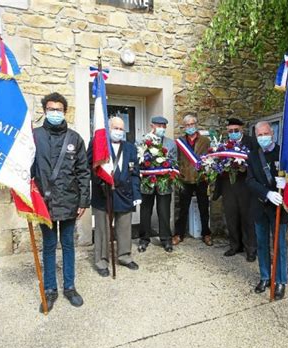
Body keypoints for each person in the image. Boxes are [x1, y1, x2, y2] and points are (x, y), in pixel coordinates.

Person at [32, 92, 90, 313]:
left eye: (59, 109)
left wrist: (83, 201)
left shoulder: (75, 139)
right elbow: (27, 171)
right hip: (43, 204)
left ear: (65, 112)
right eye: (51, 109)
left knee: (67, 245)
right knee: (48, 247)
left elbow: (83, 172)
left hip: (69, 203)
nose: (55, 112)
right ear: (45, 110)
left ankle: (69, 287)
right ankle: (49, 290)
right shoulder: (34, 136)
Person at [89, 116, 141, 276]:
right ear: (108, 128)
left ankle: (124, 256)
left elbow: (134, 173)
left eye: (121, 129)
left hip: (124, 193)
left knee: (124, 227)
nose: (118, 132)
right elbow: (88, 166)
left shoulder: (131, 148)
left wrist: (136, 193)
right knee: (102, 230)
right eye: (115, 128)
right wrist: (100, 180)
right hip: (103, 193)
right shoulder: (98, 144)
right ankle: (101, 261)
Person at [246, 121, 288, 299]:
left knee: (279, 245)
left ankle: (280, 281)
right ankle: (265, 276)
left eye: (265, 134)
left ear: (272, 133)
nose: (263, 137)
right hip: (260, 204)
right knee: (262, 244)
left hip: (279, 207)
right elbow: (249, 181)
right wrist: (267, 193)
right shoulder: (253, 156)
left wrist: (286, 182)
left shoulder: (283, 153)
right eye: (259, 135)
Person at [213, 118, 257, 261]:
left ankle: (250, 249)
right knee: (231, 216)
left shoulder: (252, 142)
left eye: (235, 131)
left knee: (247, 218)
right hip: (228, 186)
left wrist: (245, 167)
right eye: (230, 131)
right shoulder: (224, 145)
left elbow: (256, 162)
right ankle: (234, 246)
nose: (233, 133)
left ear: (241, 130)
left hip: (245, 186)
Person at [138, 116, 177, 253]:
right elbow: (139, 160)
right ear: (152, 126)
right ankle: (144, 239)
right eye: (158, 125)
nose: (161, 128)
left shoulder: (171, 144)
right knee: (145, 212)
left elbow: (174, 162)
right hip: (147, 183)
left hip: (164, 183)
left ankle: (166, 239)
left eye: (163, 126)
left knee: (164, 212)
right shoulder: (142, 141)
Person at [173, 113, 213, 246]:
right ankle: (179, 234)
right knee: (182, 209)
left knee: (203, 208)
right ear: (184, 127)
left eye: (192, 124)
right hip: (185, 179)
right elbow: (176, 160)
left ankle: (206, 234)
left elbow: (210, 159)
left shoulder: (205, 141)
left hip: (201, 179)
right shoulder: (180, 142)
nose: (190, 127)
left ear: (196, 125)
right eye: (187, 125)